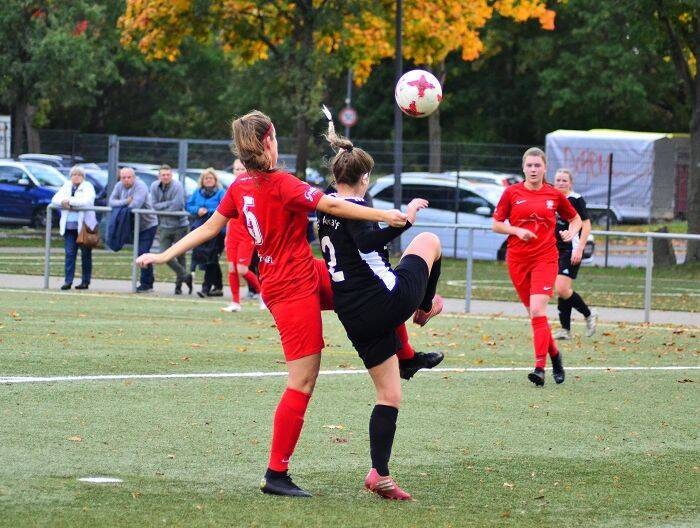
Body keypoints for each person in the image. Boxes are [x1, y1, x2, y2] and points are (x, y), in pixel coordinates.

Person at [136, 109, 407, 497]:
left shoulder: (241, 185)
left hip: (302, 273)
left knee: (370, 293)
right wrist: (386, 215)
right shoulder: (280, 183)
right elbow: (331, 206)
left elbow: (209, 228)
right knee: (303, 379)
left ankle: (407, 354)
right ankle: (276, 474)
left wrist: (163, 256)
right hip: (289, 287)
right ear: (269, 140)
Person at [317, 125, 444, 501]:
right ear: (365, 178)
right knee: (429, 241)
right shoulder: (357, 207)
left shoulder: (326, 205)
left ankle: (379, 474)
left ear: (336, 176)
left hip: (353, 314)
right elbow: (366, 239)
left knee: (389, 394)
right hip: (386, 300)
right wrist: (402, 221)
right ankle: (423, 308)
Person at [492, 147, 582, 387]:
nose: (533, 169)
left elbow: (576, 219)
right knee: (534, 314)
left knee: (538, 310)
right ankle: (556, 356)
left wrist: (570, 234)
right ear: (523, 168)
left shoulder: (554, 194)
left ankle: (540, 368)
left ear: (545, 168)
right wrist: (516, 230)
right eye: (529, 165)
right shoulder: (511, 193)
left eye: (537, 165)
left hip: (546, 258)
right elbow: (497, 224)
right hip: (518, 260)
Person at [553, 168, 597, 340]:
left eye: (564, 180)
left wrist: (579, 248)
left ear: (570, 183)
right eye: (558, 180)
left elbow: (586, 225)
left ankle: (588, 313)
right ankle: (565, 329)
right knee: (562, 290)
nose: (561, 183)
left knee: (562, 288)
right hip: (554, 249)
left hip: (571, 249)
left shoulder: (576, 199)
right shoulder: (553, 198)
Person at [109, 167, 158, 292]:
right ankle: (147, 282)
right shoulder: (119, 185)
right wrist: (125, 201)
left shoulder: (140, 186)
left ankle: (147, 284)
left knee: (142, 252)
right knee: (139, 253)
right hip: (132, 225)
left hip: (147, 225)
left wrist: (122, 203)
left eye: (128, 177)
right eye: (123, 177)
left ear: (134, 177)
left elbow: (135, 205)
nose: (126, 180)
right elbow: (111, 202)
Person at [221, 159, 261, 312]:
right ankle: (235, 302)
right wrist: (227, 234)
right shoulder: (232, 188)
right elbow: (226, 213)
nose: (238, 171)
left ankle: (262, 294)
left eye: (241, 169)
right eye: (236, 169)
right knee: (232, 269)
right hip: (232, 235)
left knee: (242, 270)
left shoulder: (252, 187)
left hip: (246, 234)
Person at [51, 166, 97, 290]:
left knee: (85, 255)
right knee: (70, 254)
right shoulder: (66, 186)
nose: (76, 177)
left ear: (83, 177)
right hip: (69, 227)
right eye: (74, 174)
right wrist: (63, 202)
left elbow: (86, 202)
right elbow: (55, 199)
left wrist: (69, 202)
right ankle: (68, 281)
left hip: (84, 228)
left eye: (79, 175)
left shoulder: (88, 187)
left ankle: (85, 281)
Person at [150, 164, 192, 295]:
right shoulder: (154, 186)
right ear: (159, 176)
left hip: (180, 226)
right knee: (164, 255)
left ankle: (178, 287)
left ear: (171, 175)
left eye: (168, 174)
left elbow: (177, 205)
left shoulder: (178, 186)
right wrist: (167, 205)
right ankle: (185, 275)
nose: (166, 177)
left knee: (180, 256)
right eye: (163, 175)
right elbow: (153, 205)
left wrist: (162, 207)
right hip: (164, 226)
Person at [186, 168, 226, 297]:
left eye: (211, 178)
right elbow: (188, 205)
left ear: (215, 180)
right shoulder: (197, 192)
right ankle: (218, 287)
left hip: (216, 232)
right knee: (208, 259)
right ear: (202, 181)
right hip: (200, 229)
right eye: (206, 178)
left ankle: (205, 288)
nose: (208, 180)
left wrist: (208, 211)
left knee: (211, 259)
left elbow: (225, 207)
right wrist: (197, 210)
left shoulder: (221, 193)